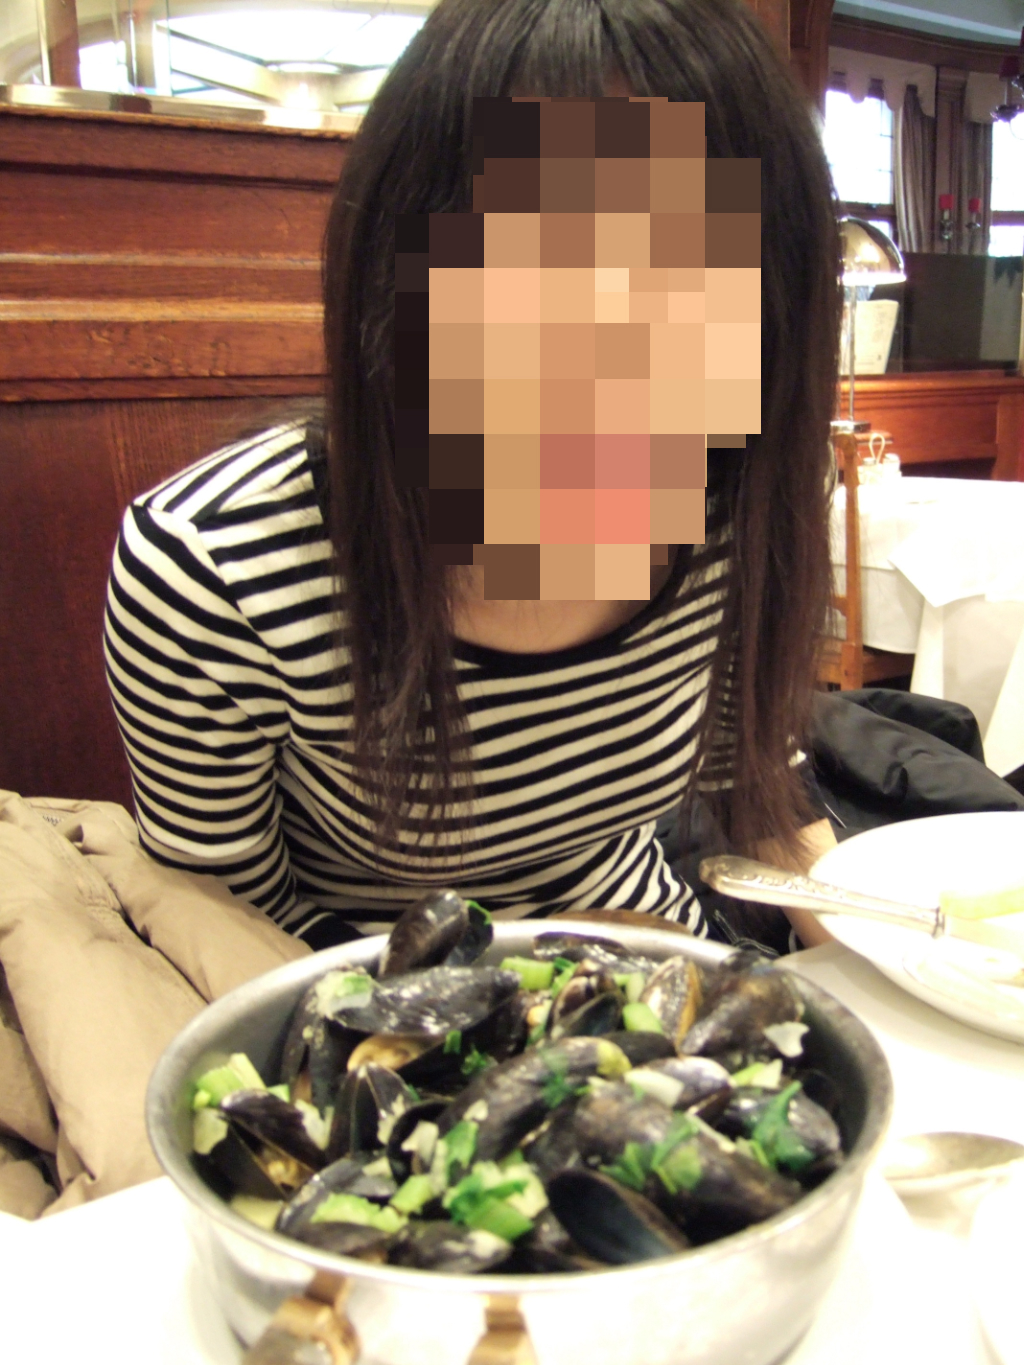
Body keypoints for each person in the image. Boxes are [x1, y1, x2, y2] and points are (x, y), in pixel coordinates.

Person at [103, 0, 842, 951]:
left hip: (649, 952)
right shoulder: (213, 572)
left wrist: (894, 975)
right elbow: (220, 921)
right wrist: (521, 968)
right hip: (356, 982)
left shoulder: (747, 499)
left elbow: (759, 781)